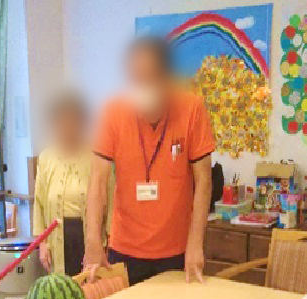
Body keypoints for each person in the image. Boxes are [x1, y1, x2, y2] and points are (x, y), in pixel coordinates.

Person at [84, 36, 215, 285]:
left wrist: (196, 243)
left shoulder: (191, 109)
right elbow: (97, 182)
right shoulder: (113, 112)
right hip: (124, 249)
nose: (142, 86)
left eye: (149, 77)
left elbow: (204, 182)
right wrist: (92, 241)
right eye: (136, 79)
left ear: (166, 77)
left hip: (176, 250)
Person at [34, 91, 111, 275]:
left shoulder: (97, 155)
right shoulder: (46, 158)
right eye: (62, 120)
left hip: (88, 238)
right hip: (58, 240)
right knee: (62, 288)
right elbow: (39, 203)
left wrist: (109, 242)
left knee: (91, 285)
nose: (67, 126)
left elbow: (110, 200)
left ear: (82, 122)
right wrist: (41, 243)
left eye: (73, 120)